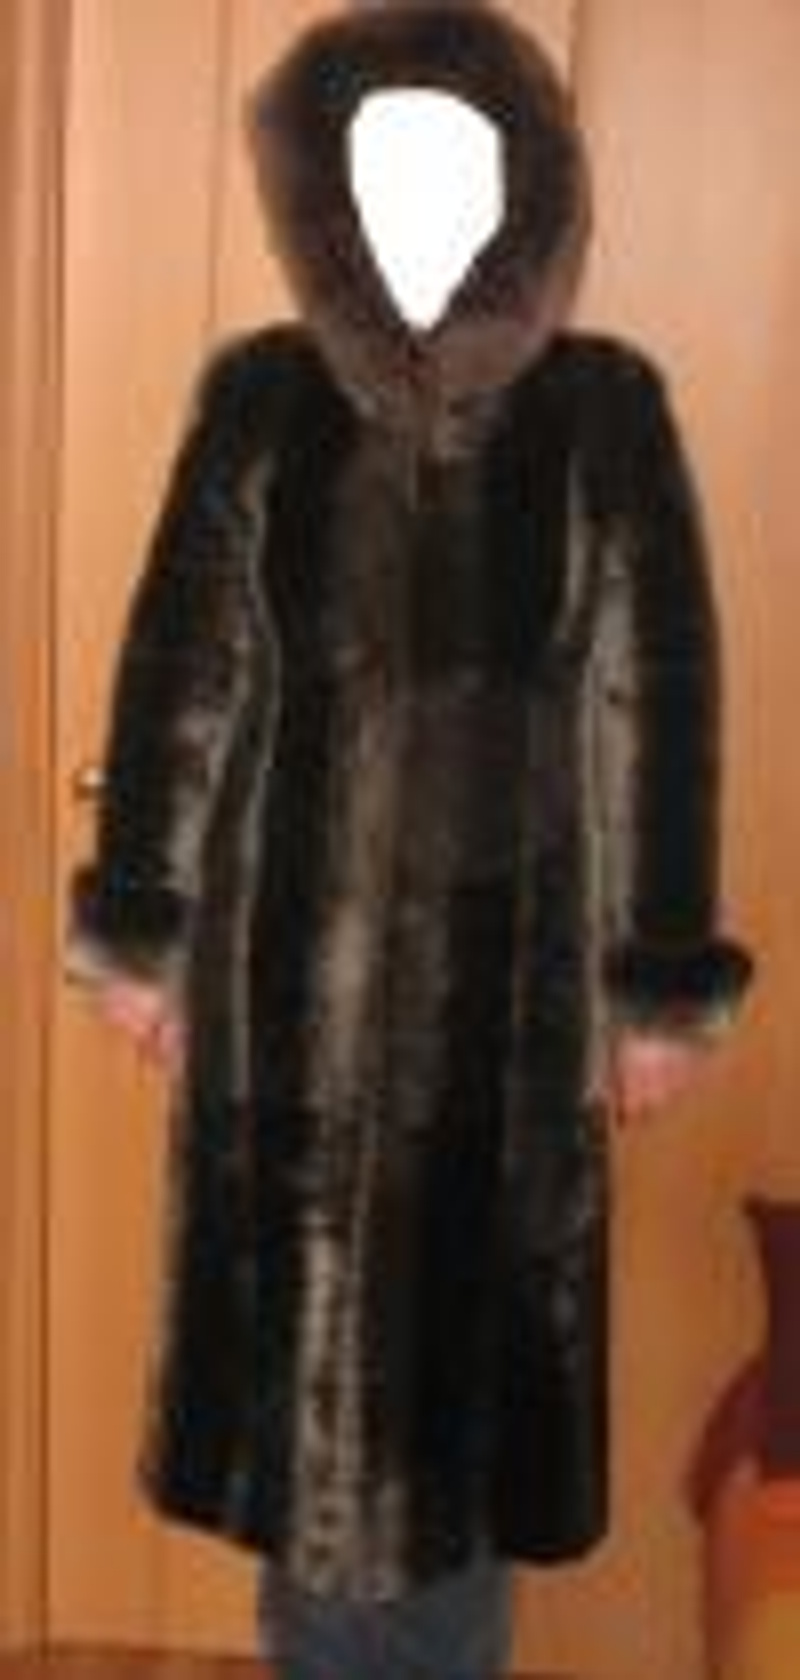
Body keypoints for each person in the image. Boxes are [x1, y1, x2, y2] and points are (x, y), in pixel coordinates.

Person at [67, 3, 753, 1676]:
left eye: (459, 172)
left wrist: (658, 987)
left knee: (462, 1456)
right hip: (279, 1004)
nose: (417, 209)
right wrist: (144, 934)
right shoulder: (259, 403)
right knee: (306, 1467)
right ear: (323, 203)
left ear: (529, 195)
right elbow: (179, 675)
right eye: (378, 173)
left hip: (510, 1022)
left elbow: (660, 709)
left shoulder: (605, 413)